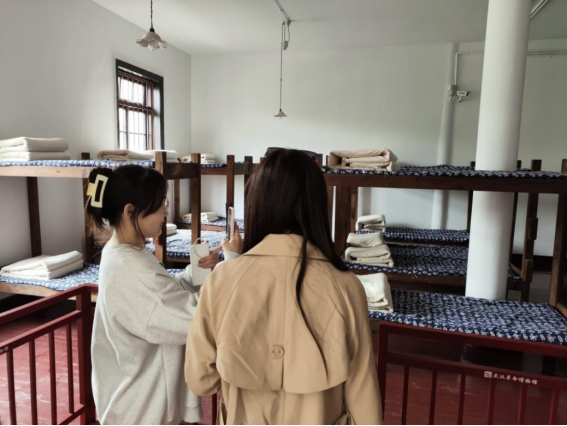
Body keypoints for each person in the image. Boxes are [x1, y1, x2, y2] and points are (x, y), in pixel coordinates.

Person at [186, 149, 383, 425]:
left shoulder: (221, 280)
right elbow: (363, 396)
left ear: (256, 204)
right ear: (317, 208)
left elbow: (201, 381)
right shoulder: (346, 285)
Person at [85, 165, 236, 425]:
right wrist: (231, 264)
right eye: (160, 206)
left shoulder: (126, 251)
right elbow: (194, 318)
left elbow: (162, 295)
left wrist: (194, 273)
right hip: (140, 408)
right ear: (130, 212)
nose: (166, 212)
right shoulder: (129, 266)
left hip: (136, 399)